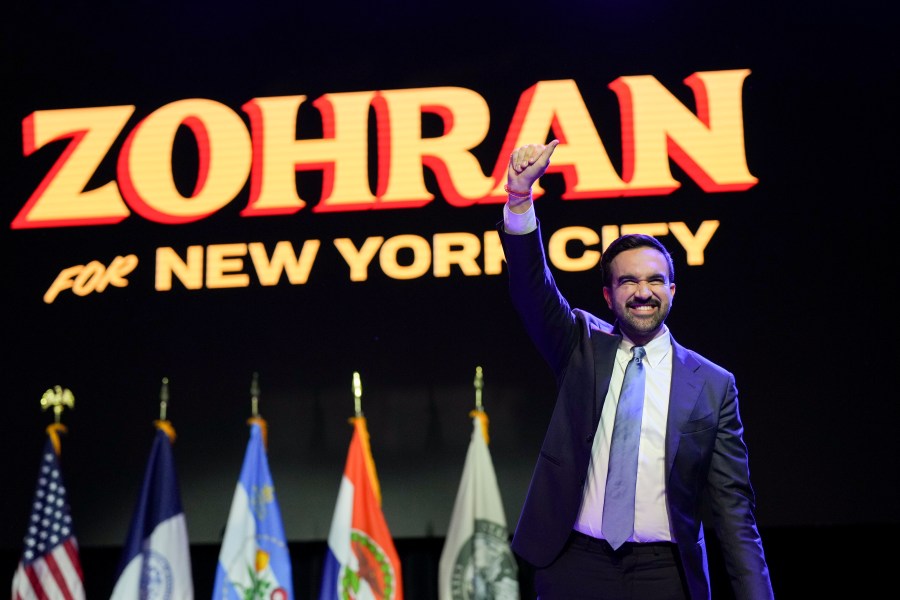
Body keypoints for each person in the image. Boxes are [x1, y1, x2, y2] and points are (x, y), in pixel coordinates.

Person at [498, 139, 774, 600]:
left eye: (654, 280)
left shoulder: (712, 384)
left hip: (665, 572)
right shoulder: (581, 344)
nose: (642, 292)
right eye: (628, 281)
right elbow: (531, 288)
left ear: (672, 290)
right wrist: (520, 198)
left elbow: (733, 510)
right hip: (575, 563)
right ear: (608, 295)